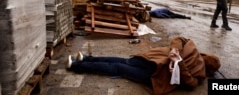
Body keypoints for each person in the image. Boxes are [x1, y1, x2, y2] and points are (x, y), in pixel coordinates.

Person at [65, 36, 220, 95]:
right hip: (154, 75)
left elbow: (179, 39)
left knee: (121, 61)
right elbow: (190, 84)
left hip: (152, 61)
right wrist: (177, 58)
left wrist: (175, 55)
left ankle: (85, 58)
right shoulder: (200, 74)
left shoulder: (193, 48)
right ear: (210, 70)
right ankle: (76, 65)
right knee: (119, 68)